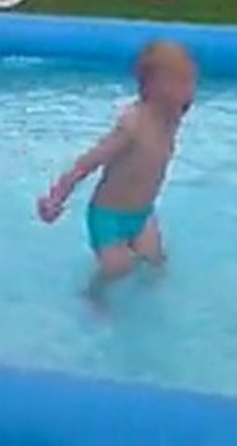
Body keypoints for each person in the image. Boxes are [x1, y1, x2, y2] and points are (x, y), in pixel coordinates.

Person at [37, 41, 197, 303]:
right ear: (154, 87)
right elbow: (86, 163)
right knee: (116, 269)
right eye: (182, 82)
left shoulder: (172, 116)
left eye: (191, 81)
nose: (191, 90)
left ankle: (149, 307)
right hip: (108, 216)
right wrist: (56, 198)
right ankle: (93, 296)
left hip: (142, 214)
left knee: (156, 264)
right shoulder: (132, 124)